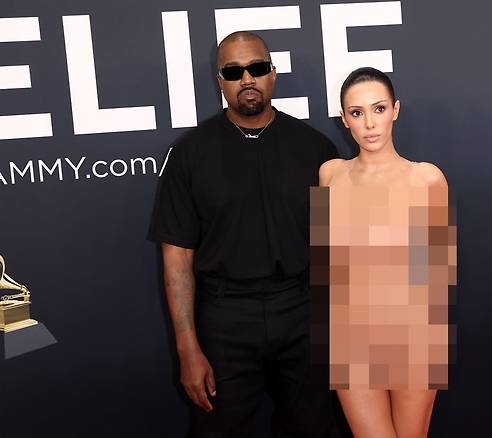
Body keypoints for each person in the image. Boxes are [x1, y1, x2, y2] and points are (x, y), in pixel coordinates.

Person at [148, 31, 339, 437]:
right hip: (225, 319)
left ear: (273, 73)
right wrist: (187, 347)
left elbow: (338, 250)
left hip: (302, 313)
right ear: (220, 81)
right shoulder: (189, 154)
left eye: (256, 68)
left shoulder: (316, 149)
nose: (247, 79)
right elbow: (177, 256)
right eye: (234, 72)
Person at [316, 67, 454, 438]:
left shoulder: (427, 178)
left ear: (395, 110)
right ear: (344, 119)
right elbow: (328, 266)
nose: (369, 123)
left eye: (378, 109)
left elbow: (435, 277)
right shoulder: (330, 175)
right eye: (357, 112)